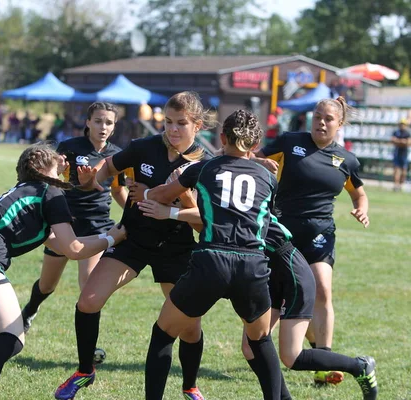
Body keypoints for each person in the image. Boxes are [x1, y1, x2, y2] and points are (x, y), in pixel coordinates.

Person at [54, 92, 211, 400]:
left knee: (190, 327)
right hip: (133, 239)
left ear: (198, 125)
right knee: (88, 301)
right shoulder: (143, 147)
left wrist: (173, 205)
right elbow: (106, 170)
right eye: (168, 122)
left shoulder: (206, 163)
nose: (173, 130)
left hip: (177, 248)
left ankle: (190, 386)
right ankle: (85, 371)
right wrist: (90, 179)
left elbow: (203, 222)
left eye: (181, 123)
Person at [0, 143, 127, 400]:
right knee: (12, 336)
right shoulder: (50, 191)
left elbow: (59, 243)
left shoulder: (29, 190)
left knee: (2, 333)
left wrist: (101, 239)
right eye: (57, 161)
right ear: (45, 168)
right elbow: (73, 248)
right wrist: (112, 238)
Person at [139, 109, 283, 400]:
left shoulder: (204, 168)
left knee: (163, 333)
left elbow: (164, 196)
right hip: (252, 264)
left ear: (221, 137)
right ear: (255, 145)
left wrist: (147, 193)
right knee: (261, 340)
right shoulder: (269, 179)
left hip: (212, 260)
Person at [254, 96, 370, 385]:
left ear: (339, 124)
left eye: (328, 119)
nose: (321, 122)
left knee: (322, 289)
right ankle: (296, 346)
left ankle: (323, 361)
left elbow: (359, 193)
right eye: (317, 116)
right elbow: (255, 158)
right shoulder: (290, 141)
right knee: (283, 297)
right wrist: (260, 162)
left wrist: (361, 208)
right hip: (282, 231)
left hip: (320, 233)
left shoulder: (347, 160)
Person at [21, 102, 128, 335]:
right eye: (98, 121)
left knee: (89, 290)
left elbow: (118, 190)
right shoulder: (70, 147)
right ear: (87, 122)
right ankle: (30, 310)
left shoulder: (117, 155)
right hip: (65, 223)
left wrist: (133, 210)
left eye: (108, 122)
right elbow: (52, 179)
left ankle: (89, 346)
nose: (103, 126)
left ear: (114, 126)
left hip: (96, 225)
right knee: (47, 285)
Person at [241, 220, 378, 400]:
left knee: (291, 356)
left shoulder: (248, 200)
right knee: (251, 347)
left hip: (292, 275)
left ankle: (358, 366)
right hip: (269, 274)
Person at [391, 119, 411, 191]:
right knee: (396, 169)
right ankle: (396, 185)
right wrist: (402, 142)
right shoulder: (396, 132)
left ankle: (401, 185)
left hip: (404, 154)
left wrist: (399, 142)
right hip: (397, 153)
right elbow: (393, 140)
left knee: (404, 170)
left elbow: (409, 142)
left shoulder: (407, 133)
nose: (402, 126)